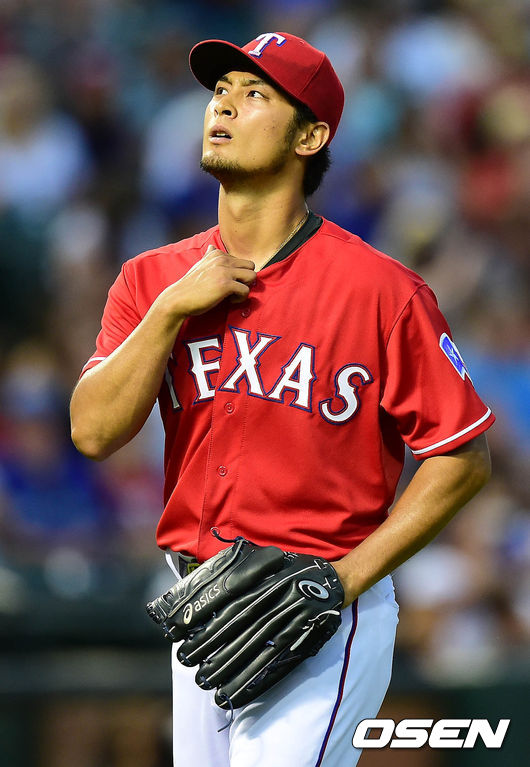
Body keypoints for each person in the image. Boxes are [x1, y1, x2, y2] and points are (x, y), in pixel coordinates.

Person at [70, 32, 494, 767]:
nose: (224, 105)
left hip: (323, 612)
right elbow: (93, 431)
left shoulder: (381, 291)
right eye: (220, 91)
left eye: (255, 94)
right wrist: (169, 312)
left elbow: (462, 457)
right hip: (204, 613)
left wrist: (342, 581)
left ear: (310, 136)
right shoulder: (153, 279)